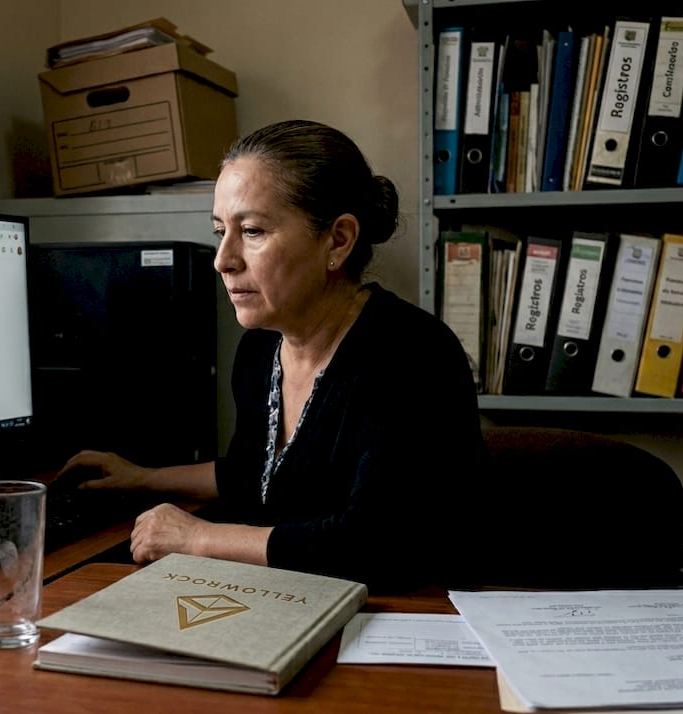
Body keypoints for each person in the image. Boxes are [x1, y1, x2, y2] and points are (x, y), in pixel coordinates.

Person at [57, 119, 485, 592]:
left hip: (402, 618)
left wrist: (199, 537)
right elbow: (249, 474)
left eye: (253, 230)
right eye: (221, 230)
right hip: (291, 599)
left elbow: (373, 547)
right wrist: (140, 478)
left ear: (337, 240)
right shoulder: (261, 349)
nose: (223, 259)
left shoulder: (412, 356)